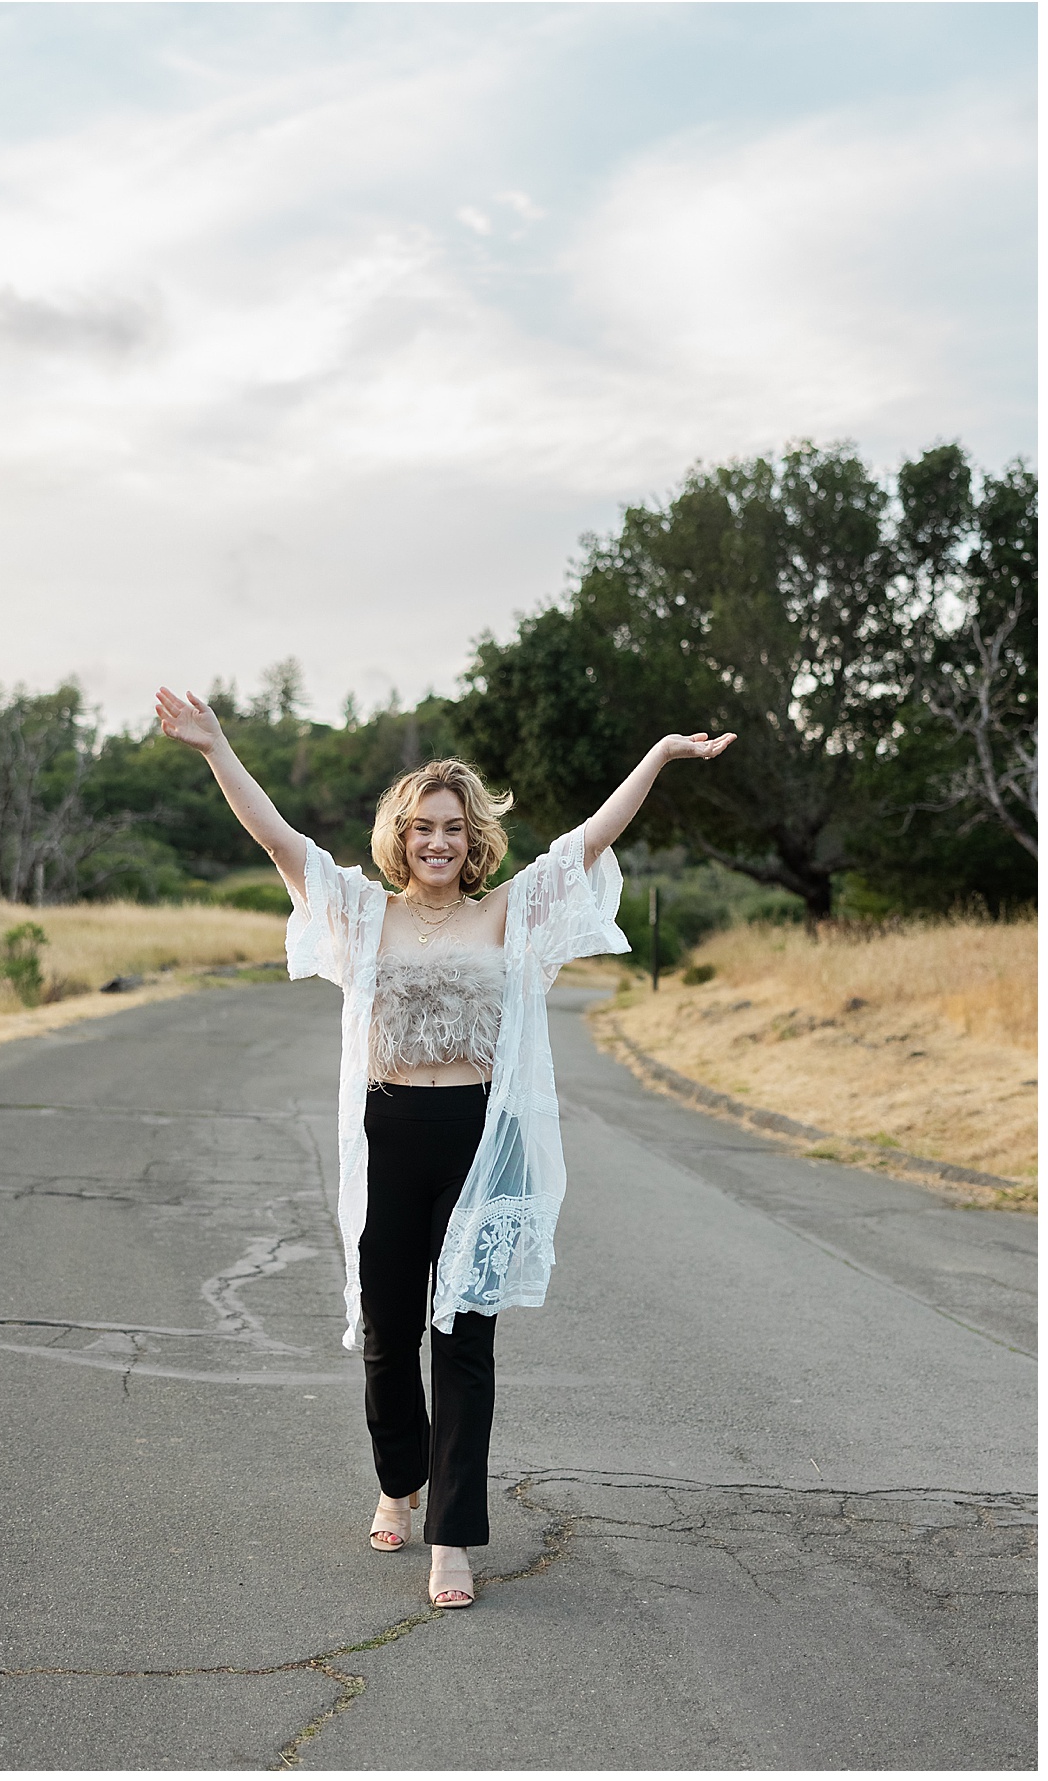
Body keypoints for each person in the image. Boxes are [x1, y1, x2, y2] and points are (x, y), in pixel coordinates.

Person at [155, 685, 735, 1608]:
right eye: (423, 826)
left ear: (474, 839)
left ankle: (452, 1538)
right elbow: (277, 840)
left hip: (476, 1137)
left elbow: (589, 839)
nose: (438, 841)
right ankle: (398, 1477)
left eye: (453, 828)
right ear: (400, 834)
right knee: (387, 1333)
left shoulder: (509, 909)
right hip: (391, 1132)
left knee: (463, 1339)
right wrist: (217, 745)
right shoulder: (361, 911)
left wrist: (660, 756)